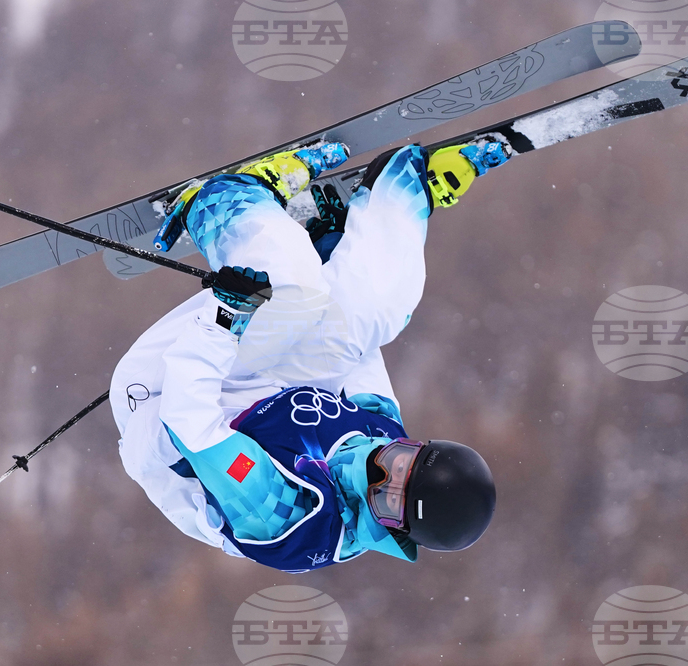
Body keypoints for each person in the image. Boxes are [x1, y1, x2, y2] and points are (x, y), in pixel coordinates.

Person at [109, 139, 509, 572]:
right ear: (416, 446)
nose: (377, 472)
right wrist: (337, 253)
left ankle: (220, 202)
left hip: (165, 398)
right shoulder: (380, 434)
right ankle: (405, 189)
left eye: (387, 498)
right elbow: (354, 346)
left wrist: (225, 320)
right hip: (266, 388)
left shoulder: (291, 515)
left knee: (294, 290)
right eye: (398, 462)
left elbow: (190, 422)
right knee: (382, 309)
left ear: (395, 529)